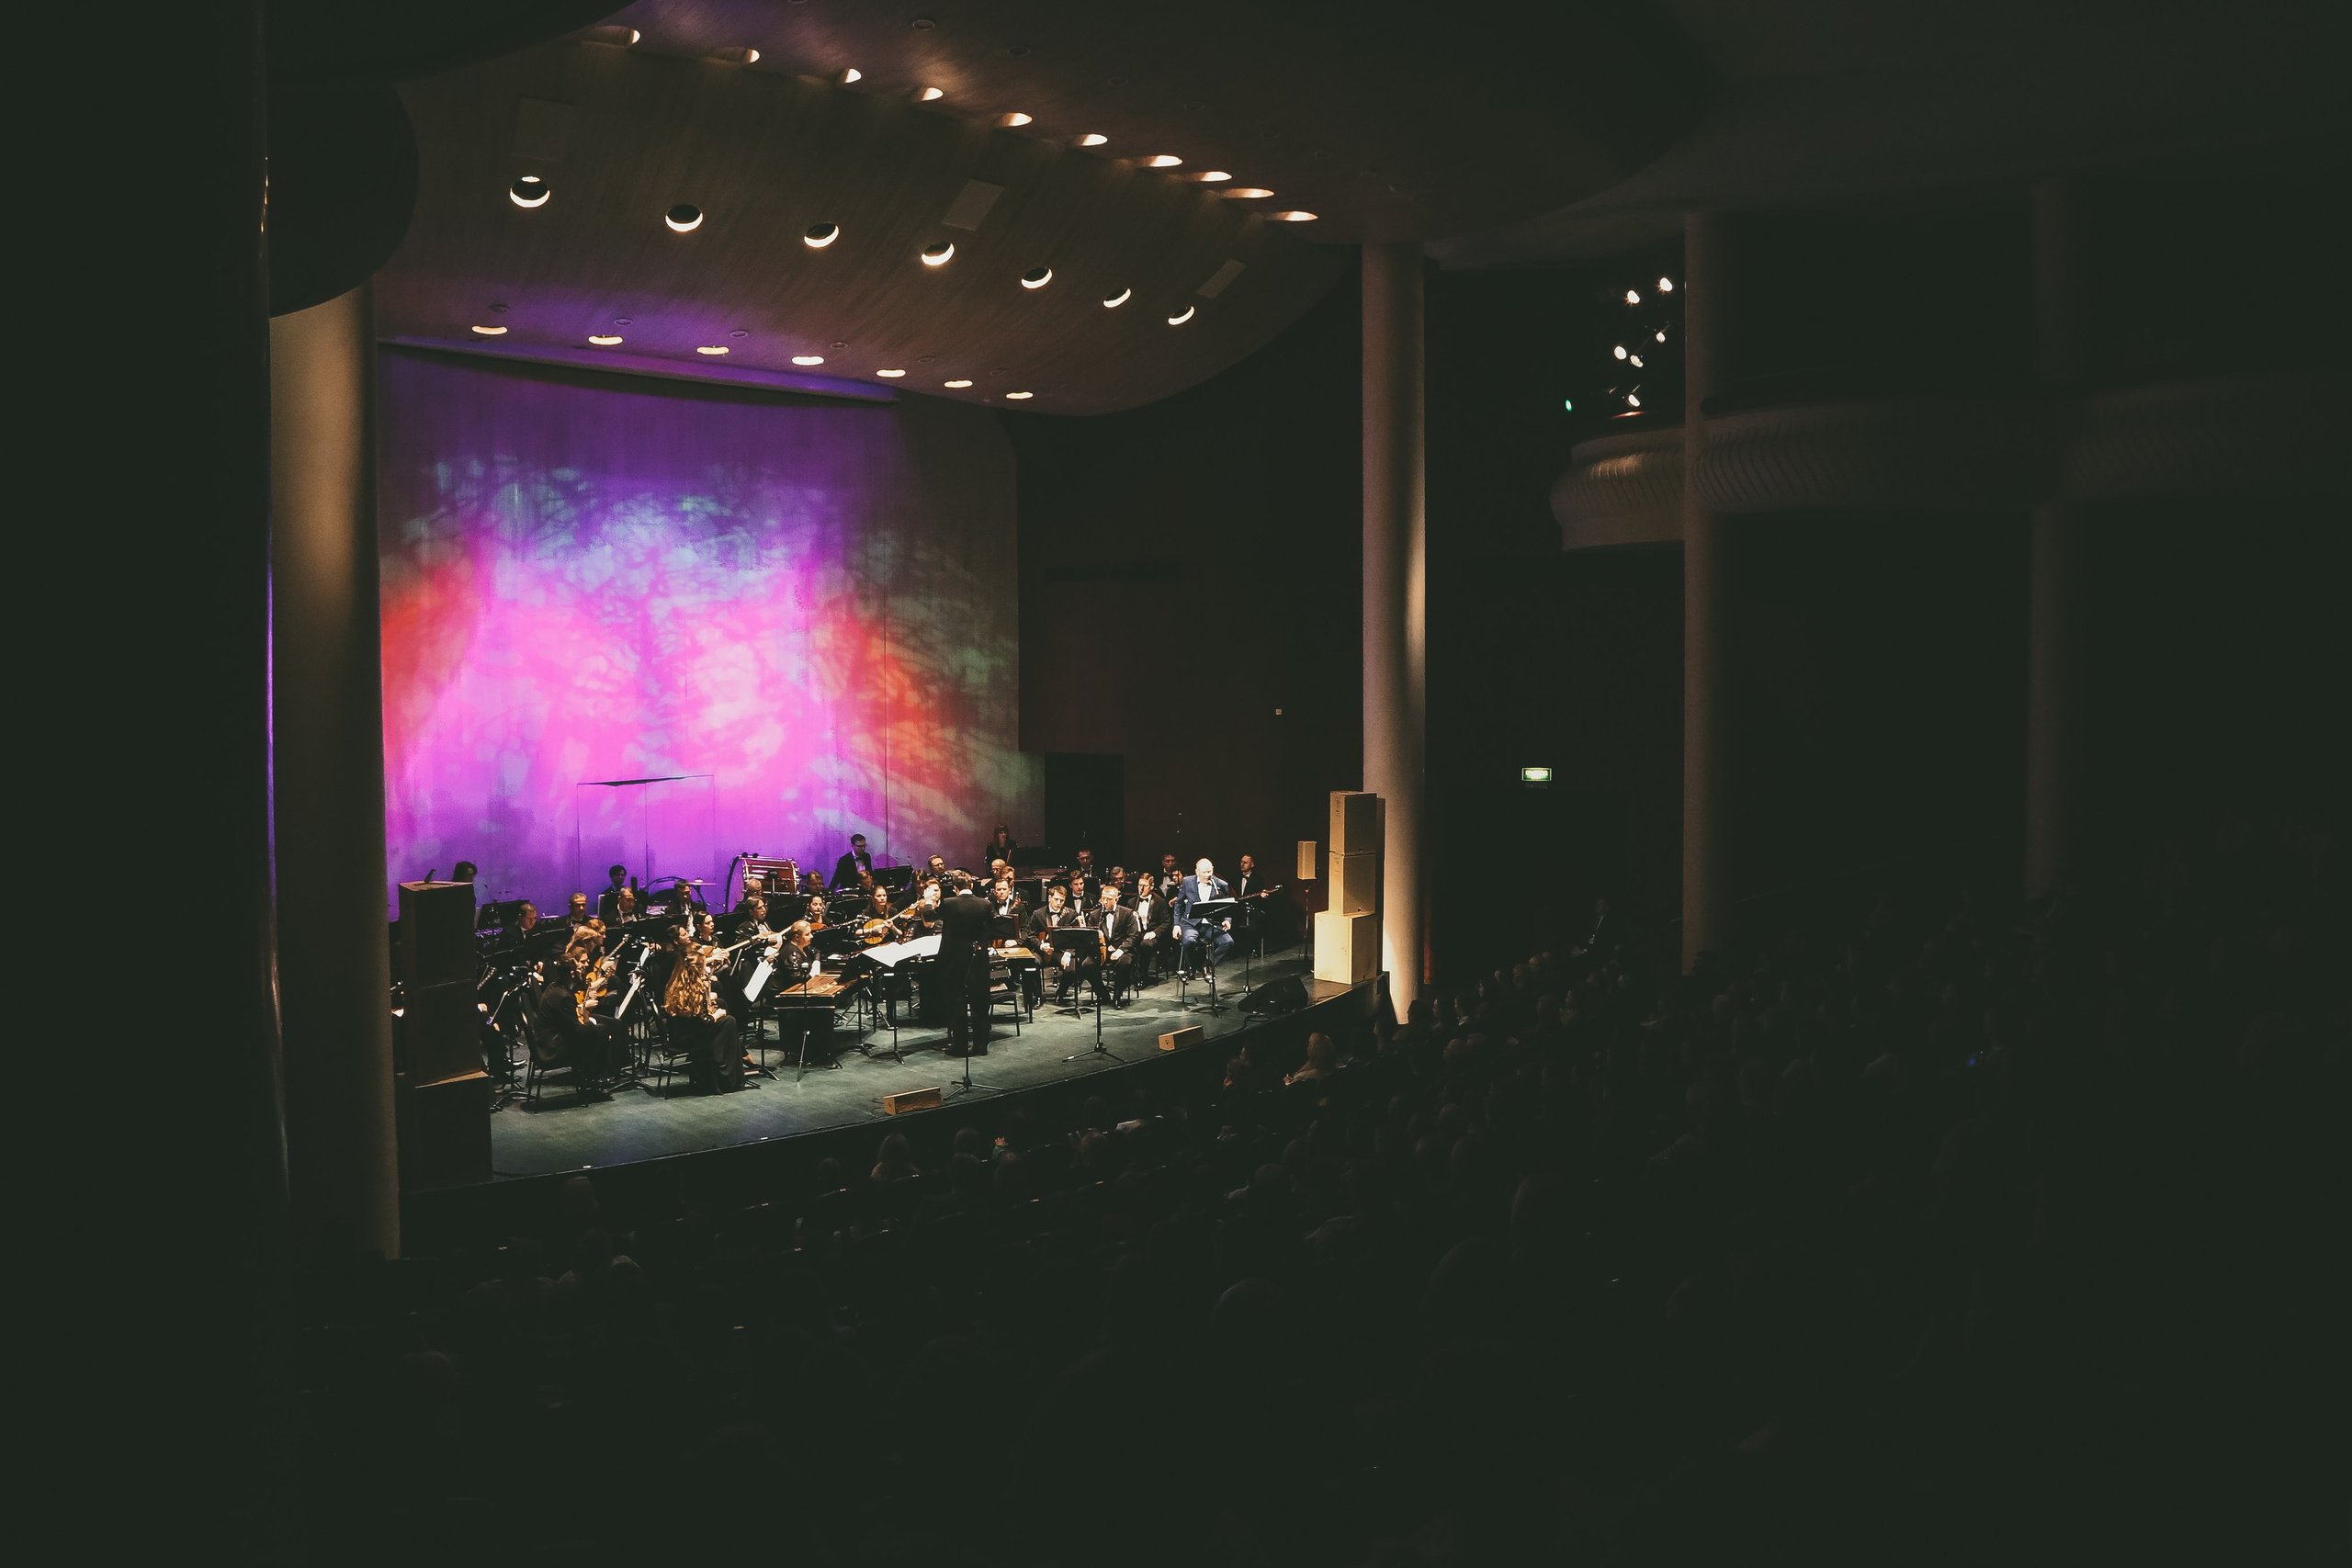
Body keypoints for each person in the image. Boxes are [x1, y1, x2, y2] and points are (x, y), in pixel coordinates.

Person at [939, 871, 995, 1055]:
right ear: (971, 886)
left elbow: (931, 915)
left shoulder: (949, 903)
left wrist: (929, 901)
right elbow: (992, 928)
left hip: (956, 959)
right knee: (980, 1001)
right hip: (978, 958)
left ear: (955, 888)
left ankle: (960, 1045)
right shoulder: (985, 904)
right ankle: (981, 1045)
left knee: (958, 1002)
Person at [1025, 884, 1083, 1006]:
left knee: (1072, 970)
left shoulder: (1071, 914)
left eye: (1061, 900)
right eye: (1056, 899)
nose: (1059, 903)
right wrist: (1041, 946)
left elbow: (1076, 938)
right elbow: (1031, 935)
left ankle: (1060, 994)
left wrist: (1068, 953)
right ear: (1049, 898)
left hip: (1061, 952)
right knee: (1033, 962)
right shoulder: (1038, 914)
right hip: (1042, 950)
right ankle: (1038, 996)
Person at [1174, 857, 1234, 976]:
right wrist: (1176, 925)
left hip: (1211, 924)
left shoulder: (1221, 885)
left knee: (1228, 942)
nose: (1208, 875)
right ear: (1197, 872)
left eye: (1210, 871)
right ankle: (1192, 966)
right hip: (1191, 924)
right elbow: (1179, 904)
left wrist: (1227, 920)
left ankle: (1207, 964)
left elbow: (1227, 905)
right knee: (1189, 941)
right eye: (1204, 872)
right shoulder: (1187, 882)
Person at [1086, 883, 1140, 1008]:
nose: (1105, 902)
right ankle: (1103, 995)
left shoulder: (1127, 913)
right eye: (1103, 898)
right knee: (1086, 966)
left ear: (1116, 899)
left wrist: (1120, 950)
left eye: (1109, 899)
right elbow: (1089, 937)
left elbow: (1133, 936)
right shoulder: (1095, 915)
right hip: (1102, 950)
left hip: (1122, 950)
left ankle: (1117, 996)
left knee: (1124, 964)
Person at [1132, 873, 1173, 982]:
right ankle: (1129, 974)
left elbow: (1165, 922)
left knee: (1145, 945)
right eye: (1139, 885)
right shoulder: (1132, 902)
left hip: (1153, 935)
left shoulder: (1160, 902)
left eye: (1144, 886)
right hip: (1137, 933)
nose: (1141, 888)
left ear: (1151, 887)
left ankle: (1142, 975)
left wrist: (1154, 933)